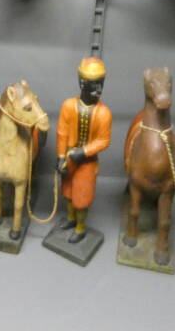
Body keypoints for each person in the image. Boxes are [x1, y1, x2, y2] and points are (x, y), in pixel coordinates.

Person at [56, 57, 112, 243]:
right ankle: (71, 218)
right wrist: (60, 156)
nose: (99, 89)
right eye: (94, 84)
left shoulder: (104, 113)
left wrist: (85, 151)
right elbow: (62, 132)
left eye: (101, 83)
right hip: (69, 158)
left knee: (82, 197)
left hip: (87, 162)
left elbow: (104, 140)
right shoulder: (68, 106)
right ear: (82, 82)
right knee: (67, 191)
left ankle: (80, 227)